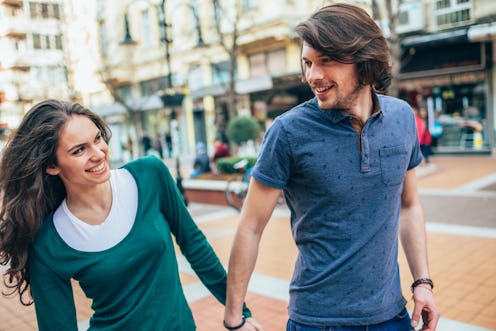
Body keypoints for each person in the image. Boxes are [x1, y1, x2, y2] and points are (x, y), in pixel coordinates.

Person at [224, 4, 439, 331]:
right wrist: (233, 318)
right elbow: (250, 226)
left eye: (327, 61)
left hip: (393, 316)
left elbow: (409, 205)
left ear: (365, 61)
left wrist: (422, 282)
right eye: (308, 62)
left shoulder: (402, 118)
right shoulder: (288, 132)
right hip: (317, 321)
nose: (312, 75)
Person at [0, 100, 262, 331]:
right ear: (51, 165)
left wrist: (238, 314)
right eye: (79, 150)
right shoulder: (48, 242)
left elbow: (194, 245)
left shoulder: (150, 175)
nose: (98, 154)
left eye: (97, 139)